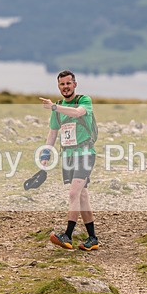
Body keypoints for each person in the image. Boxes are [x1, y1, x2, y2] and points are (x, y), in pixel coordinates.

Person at [39, 70, 99, 251]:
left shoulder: (84, 101)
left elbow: (77, 113)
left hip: (86, 154)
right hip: (68, 156)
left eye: (68, 83)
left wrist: (55, 108)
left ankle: (67, 235)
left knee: (73, 193)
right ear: (59, 86)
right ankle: (93, 239)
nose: (65, 87)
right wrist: (45, 154)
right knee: (81, 195)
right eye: (62, 84)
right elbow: (53, 133)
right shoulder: (56, 108)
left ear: (75, 84)